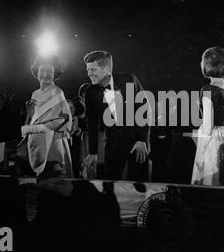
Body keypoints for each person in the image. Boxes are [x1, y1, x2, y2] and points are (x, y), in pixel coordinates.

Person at [83, 50, 150, 181]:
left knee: (140, 186)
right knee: (112, 187)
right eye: (87, 69)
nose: (88, 73)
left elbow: (144, 109)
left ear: (107, 69)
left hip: (137, 144)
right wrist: (93, 153)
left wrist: (142, 140)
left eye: (92, 69)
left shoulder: (130, 79)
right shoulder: (90, 92)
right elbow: (92, 124)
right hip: (112, 147)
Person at [20, 56, 73, 181]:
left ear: (54, 74)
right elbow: (36, 118)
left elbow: (65, 121)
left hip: (52, 145)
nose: (46, 74)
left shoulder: (57, 92)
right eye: (42, 71)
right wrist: (31, 114)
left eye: (50, 71)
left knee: (52, 182)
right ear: (36, 72)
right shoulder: (35, 93)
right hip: (36, 145)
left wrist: (32, 128)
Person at [192, 47, 224, 186]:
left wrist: (201, 156)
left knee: (209, 183)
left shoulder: (207, 89)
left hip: (212, 140)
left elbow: (208, 125)